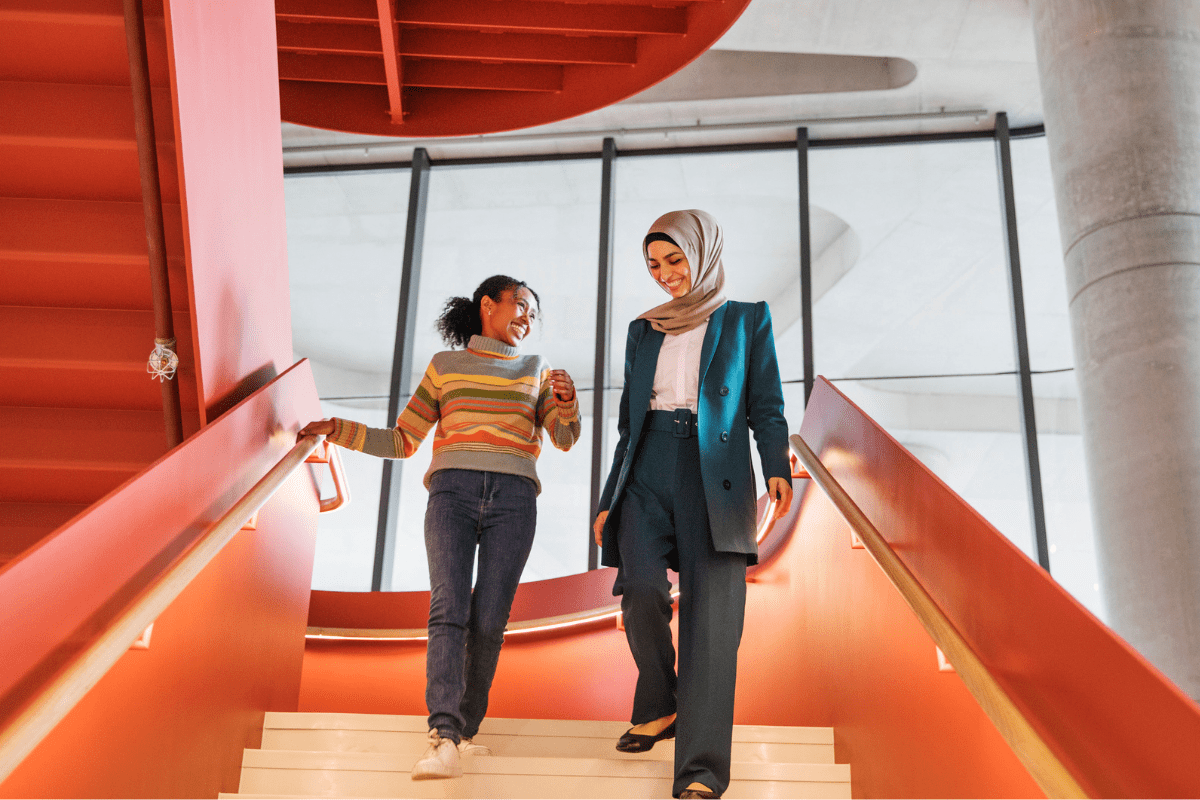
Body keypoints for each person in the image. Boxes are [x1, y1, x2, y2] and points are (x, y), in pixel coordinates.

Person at [300, 275, 580, 780]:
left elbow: (563, 438)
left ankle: (466, 731)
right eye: (521, 305)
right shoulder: (445, 366)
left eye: (533, 313)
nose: (527, 317)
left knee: (490, 620)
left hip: (515, 499)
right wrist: (336, 429)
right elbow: (404, 440)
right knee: (449, 607)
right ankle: (444, 734)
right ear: (488, 305)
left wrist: (567, 403)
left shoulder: (536, 369)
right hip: (451, 493)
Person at [592, 210, 793, 799]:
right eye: (654, 265)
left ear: (702, 254)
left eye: (675, 260)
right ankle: (660, 700)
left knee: (712, 625)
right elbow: (629, 425)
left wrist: (776, 466)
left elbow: (765, 403)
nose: (665, 275)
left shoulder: (746, 320)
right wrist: (610, 497)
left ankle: (701, 771)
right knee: (641, 589)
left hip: (717, 476)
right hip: (647, 468)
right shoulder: (642, 328)